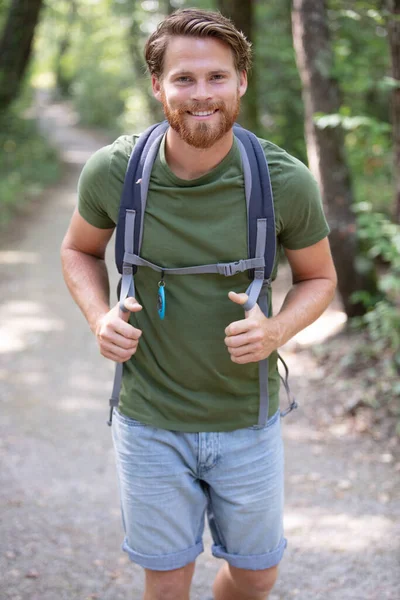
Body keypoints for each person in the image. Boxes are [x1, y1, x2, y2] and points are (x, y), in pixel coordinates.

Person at [61, 8, 337, 600]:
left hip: (247, 419)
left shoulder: (284, 182)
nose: (201, 94)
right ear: (158, 86)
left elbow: (319, 278)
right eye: (184, 78)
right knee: (165, 584)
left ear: (242, 81)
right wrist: (98, 317)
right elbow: (77, 251)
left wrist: (276, 331)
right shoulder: (115, 171)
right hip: (149, 419)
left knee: (257, 576)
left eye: (216, 77)